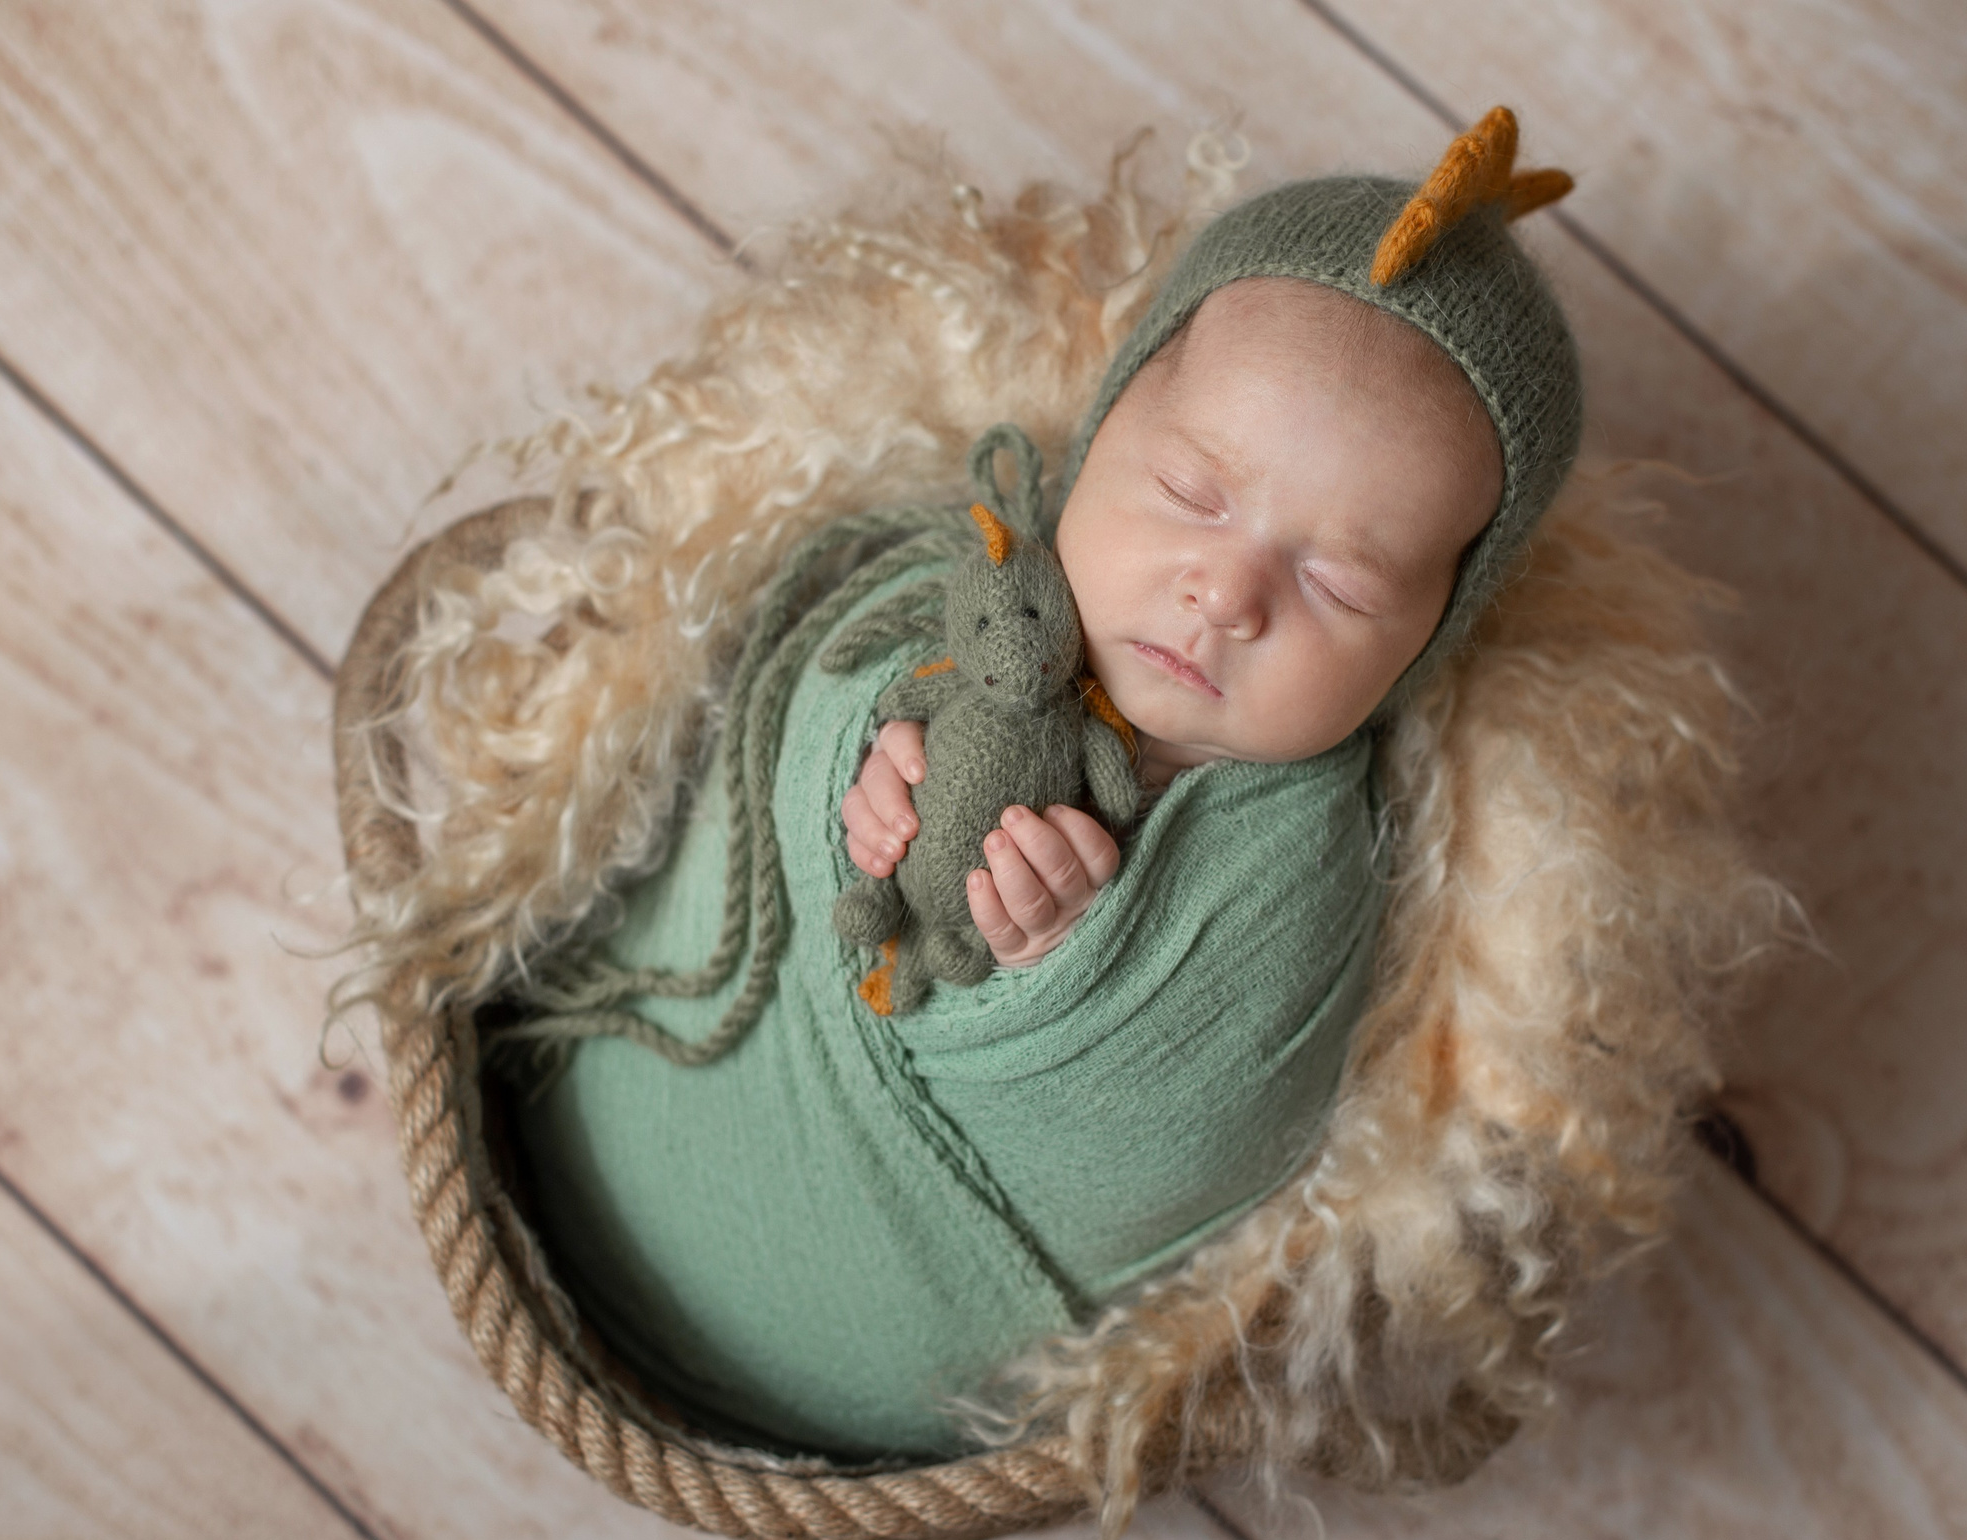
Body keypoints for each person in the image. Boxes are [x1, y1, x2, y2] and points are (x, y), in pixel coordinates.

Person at [505, 133, 1585, 1460]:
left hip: (860, 1354)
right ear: (1104, 427)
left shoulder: (1298, 862)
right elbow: (800, 660)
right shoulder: (985, 567)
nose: (1228, 595)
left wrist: (1056, 970)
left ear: (1429, 635)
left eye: (1343, 586)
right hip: (603, 1108)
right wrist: (863, 756)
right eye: (1192, 494)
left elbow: (1199, 1137)